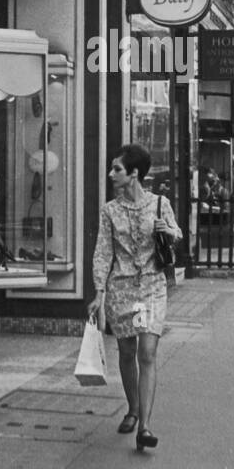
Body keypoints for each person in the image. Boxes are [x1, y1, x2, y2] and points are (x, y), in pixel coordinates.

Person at [88, 143, 182, 452]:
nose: (111, 173)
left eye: (117, 169)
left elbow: (177, 234)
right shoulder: (110, 210)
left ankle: (145, 426)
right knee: (127, 352)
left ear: (134, 174)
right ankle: (132, 408)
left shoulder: (159, 203)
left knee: (148, 353)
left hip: (151, 288)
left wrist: (166, 229)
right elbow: (103, 251)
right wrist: (99, 293)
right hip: (121, 289)